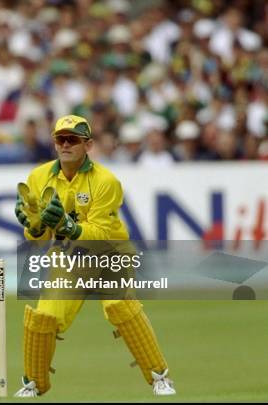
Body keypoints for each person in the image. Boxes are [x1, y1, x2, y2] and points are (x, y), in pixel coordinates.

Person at [13, 114, 176, 397]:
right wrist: (33, 224)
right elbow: (38, 239)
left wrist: (67, 225)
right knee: (43, 317)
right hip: (68, 257)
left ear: (87, 145)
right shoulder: (38, 178)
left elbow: (100, 231)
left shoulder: (106, 181)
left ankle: (159, 375)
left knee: (120, 307)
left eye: (72, 140)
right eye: (60, 139)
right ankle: (34, 383)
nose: (65, 145)